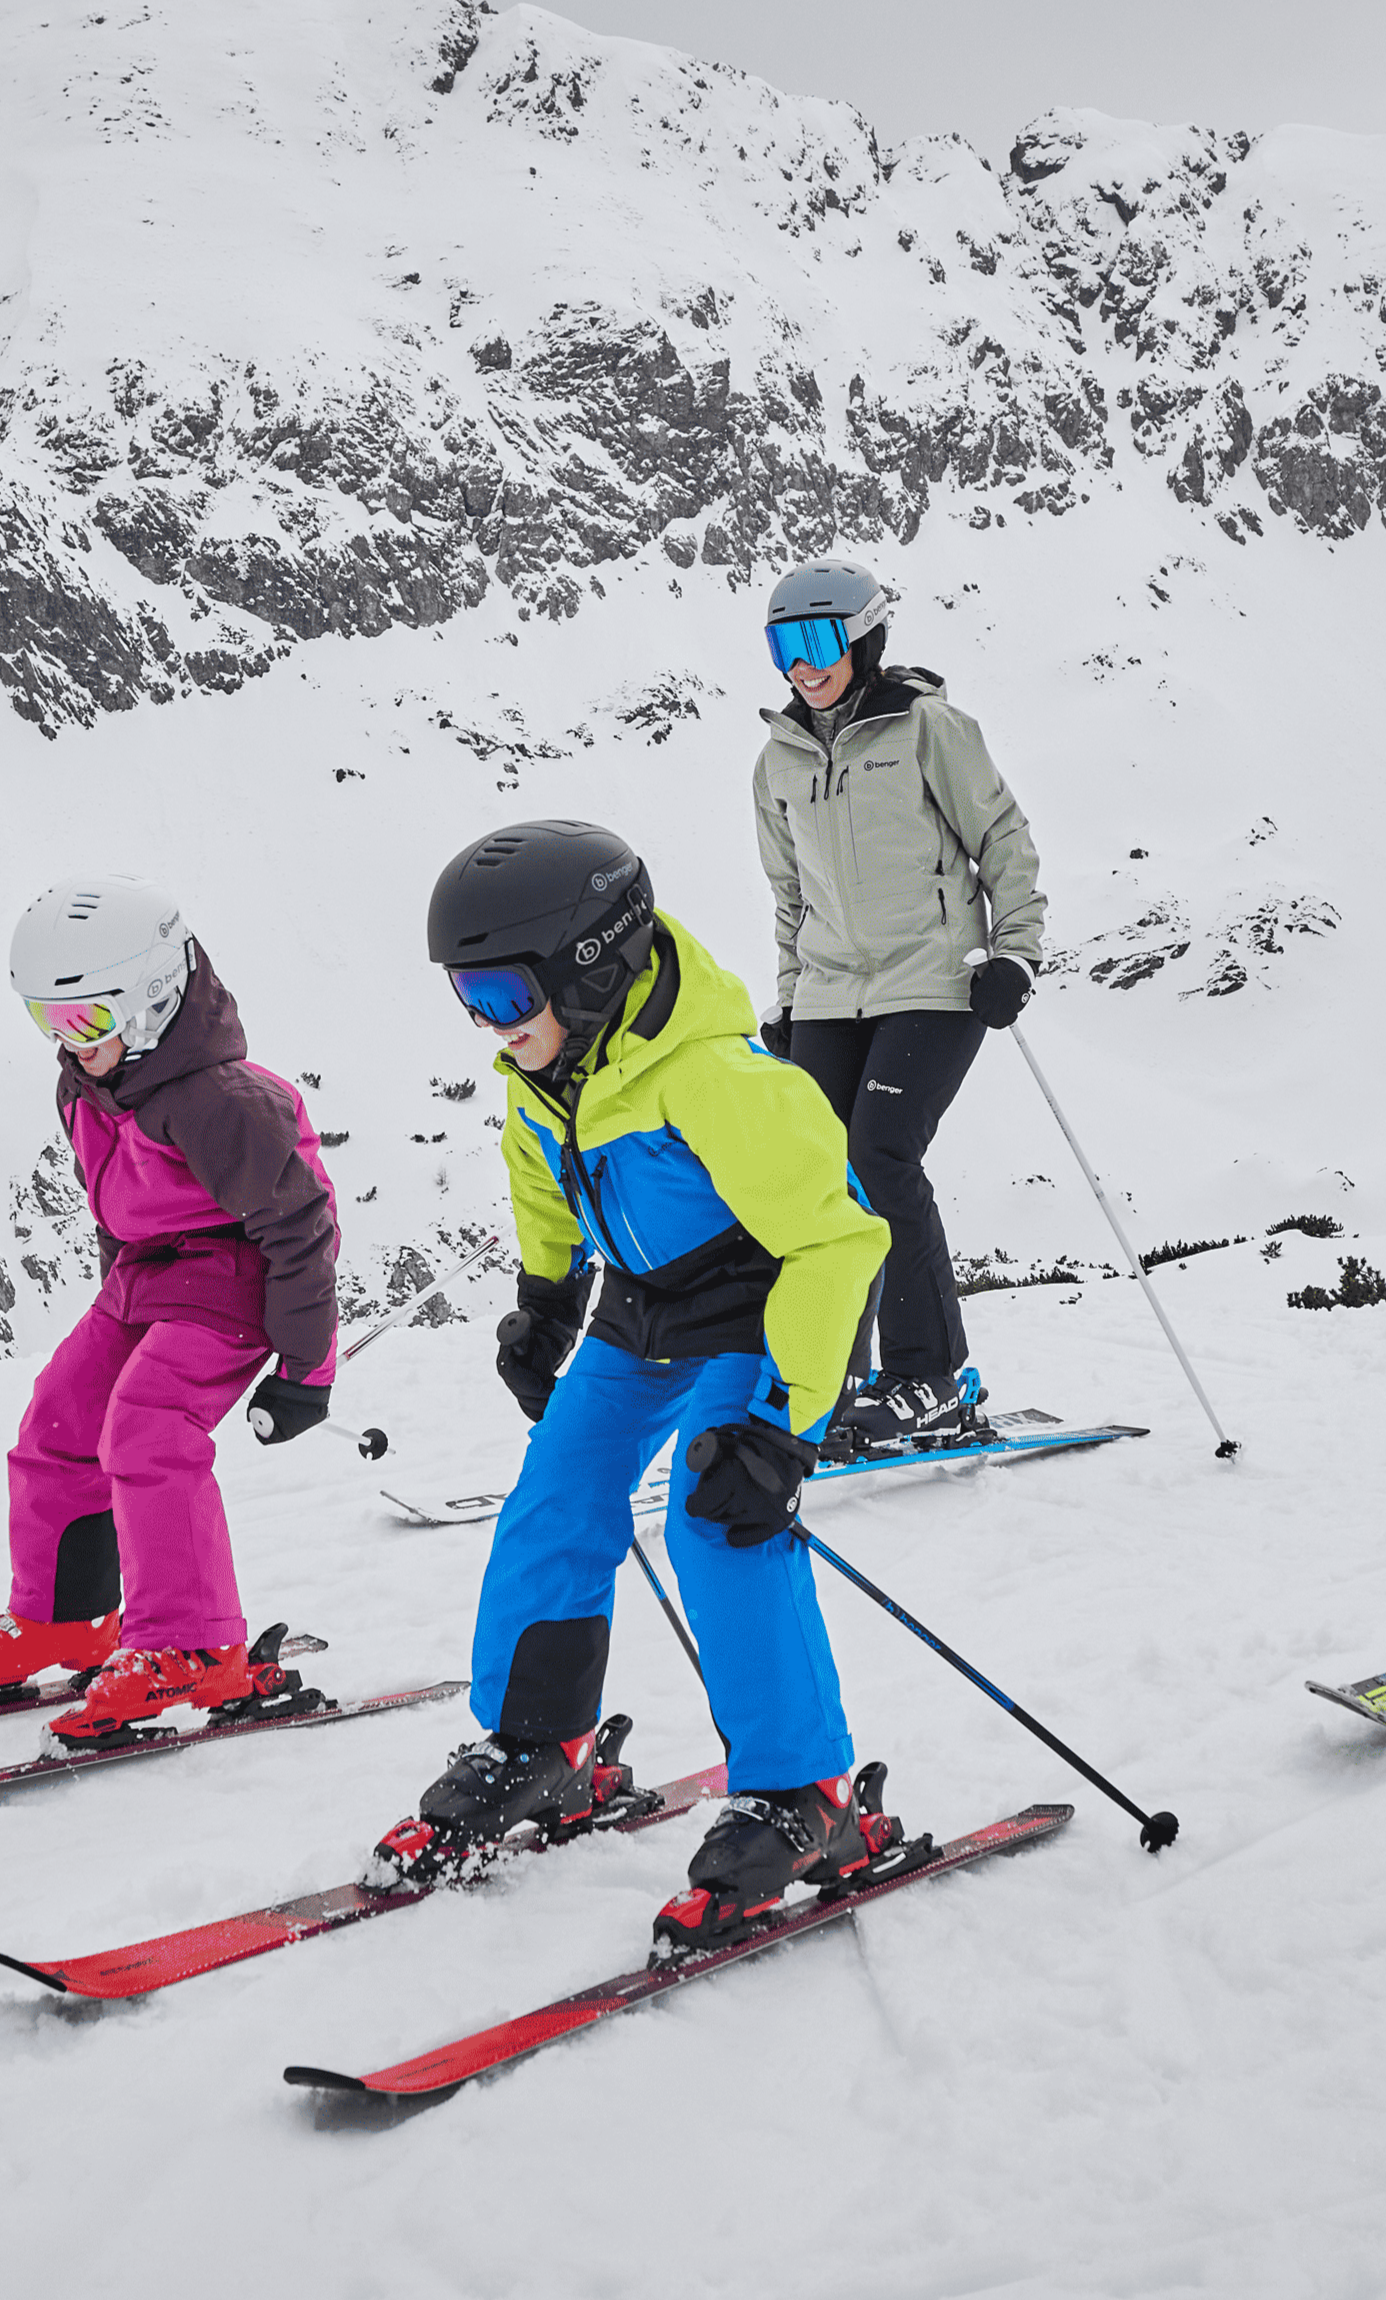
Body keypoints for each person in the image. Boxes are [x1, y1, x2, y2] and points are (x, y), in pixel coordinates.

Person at [417, 818, 891, 1943]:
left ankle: (802, 1790)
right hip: (635, 1312)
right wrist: (543, 1302)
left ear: (587, 964)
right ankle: (542, 1745)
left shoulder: (717, 1077)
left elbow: (839, 1242)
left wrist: (782, 1419)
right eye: (466, 997)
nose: (487, 1023)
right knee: (553, 1503)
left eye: (498, 993)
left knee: (718, 1518)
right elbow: (541, 1176)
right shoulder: (551, 1067)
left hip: (754, 1302)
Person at [0, 875, 340, 1744]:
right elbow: (117, 1212)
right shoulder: (84, 1089)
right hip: (147, 1279)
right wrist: (116, 1313)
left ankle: (193, 1644)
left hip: (235, 1280)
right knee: (59, 1415)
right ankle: (65, 1617)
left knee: (147, 1428)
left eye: (88, 1021)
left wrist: (307, 1369)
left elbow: (301, 1230)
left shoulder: (224, 1100)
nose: (70, 1044)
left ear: (151, 998)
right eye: (50, 1023)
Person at [752, 559, 1047, 1451]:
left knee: (880, 1154)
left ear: (864, 637)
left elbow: (1002, 838)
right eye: (783, 646)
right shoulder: (778, 759)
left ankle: (930, 1378)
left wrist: (1015, 954)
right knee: (817, 1178)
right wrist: (791, 999)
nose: (803, 665)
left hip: (937, 980)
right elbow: (790, 895)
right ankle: (832, 1376)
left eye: (817, 641)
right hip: (832, 993)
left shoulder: (928, 729)